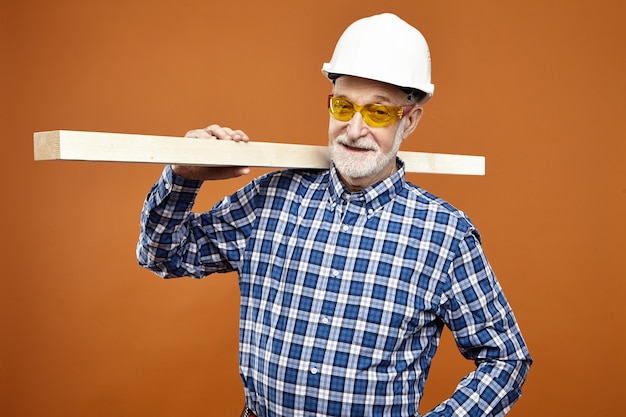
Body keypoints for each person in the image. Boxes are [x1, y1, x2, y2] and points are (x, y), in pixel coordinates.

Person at [137, 13, 532, 417]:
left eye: (378, 113)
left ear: (409, 120)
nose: (354, 129)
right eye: (343, 107)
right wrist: (184, 175)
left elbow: (506, 359)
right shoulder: (270, 198)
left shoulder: (445, 236)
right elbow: (163, 254)